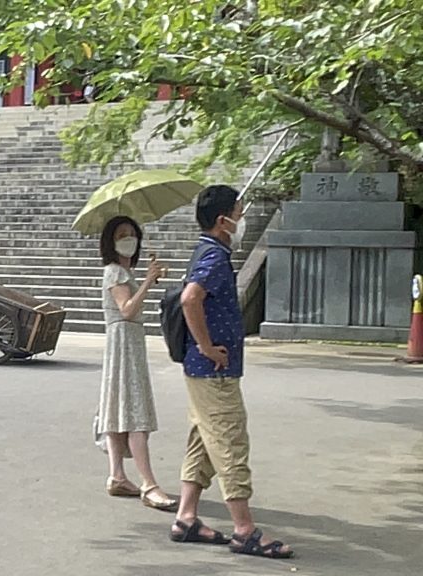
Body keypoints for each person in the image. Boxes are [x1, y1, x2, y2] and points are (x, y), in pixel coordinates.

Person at [170, 185, 294, 559]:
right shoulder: (212, 256)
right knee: (229, 441)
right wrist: (207, 347)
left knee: (203, 440)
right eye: (239, 212)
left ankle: (186, 517)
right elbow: (191, 298)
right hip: (213, 368)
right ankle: (245, 530)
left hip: (204, 368)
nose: (241, 218)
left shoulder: (208, 252)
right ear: (223, 220)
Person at [95, 215, 176, 511]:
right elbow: (127, 309)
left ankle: (117, 475)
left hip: (126, 342)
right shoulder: (115, 272)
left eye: (132, 234)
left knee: (119, 410)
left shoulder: (120, 271)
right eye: (122, 235)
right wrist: (146, 283)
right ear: (111, 241)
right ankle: (149, 484)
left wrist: (146, 280)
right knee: (134, 413)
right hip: (124, 341)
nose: (128, 239)